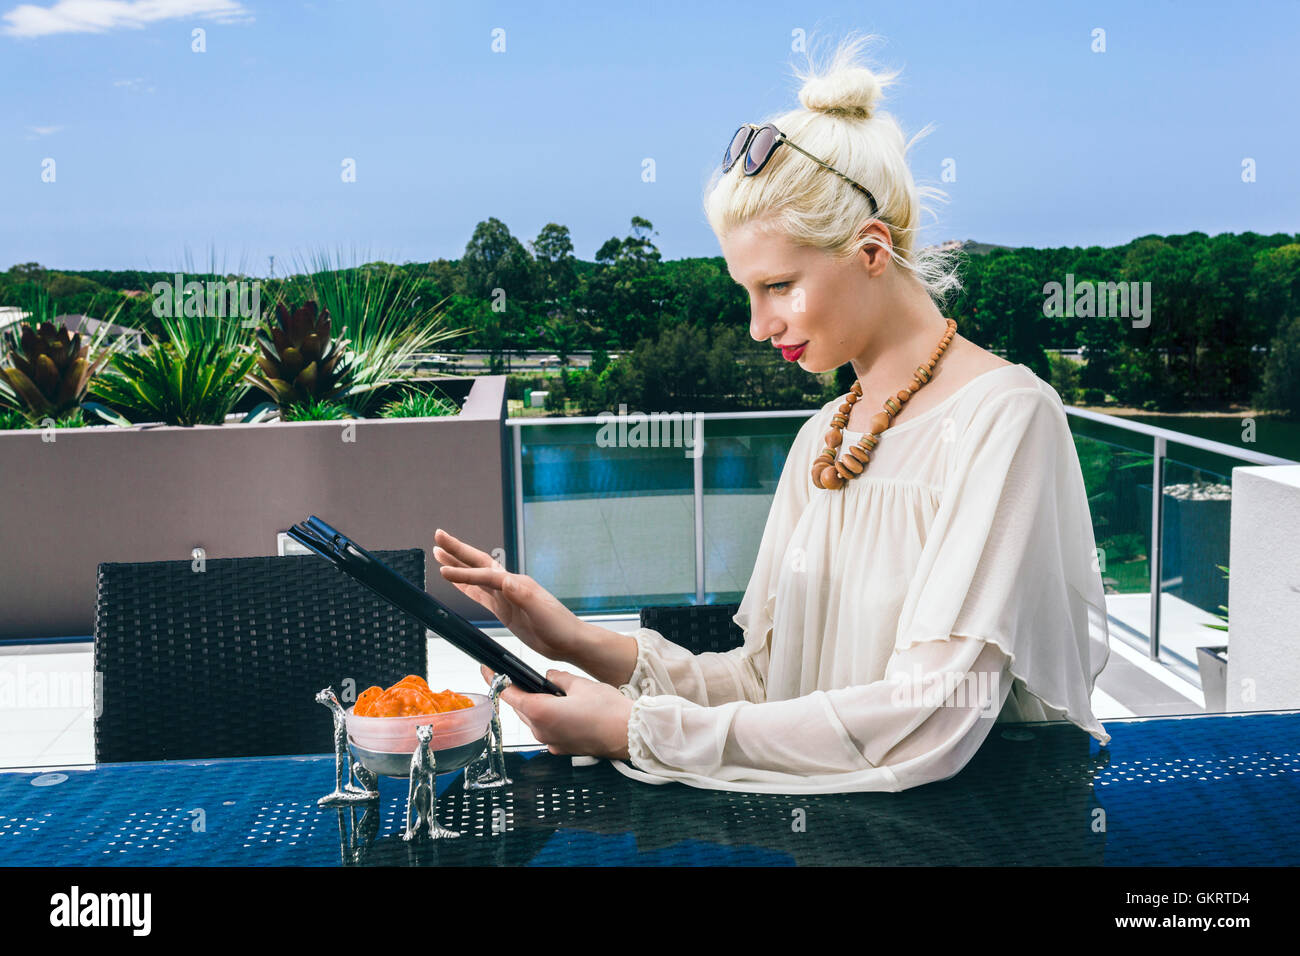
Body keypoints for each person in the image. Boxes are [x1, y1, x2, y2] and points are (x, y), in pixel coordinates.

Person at [434, 31, 1110, 794]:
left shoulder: (1006, 417)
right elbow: (769, 685)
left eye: (780, 286)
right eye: (747, 293)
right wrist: (577, 639)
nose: (759, 327)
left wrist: (631, 727)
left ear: (873, 251)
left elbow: (931, 712)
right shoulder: (820, 440)